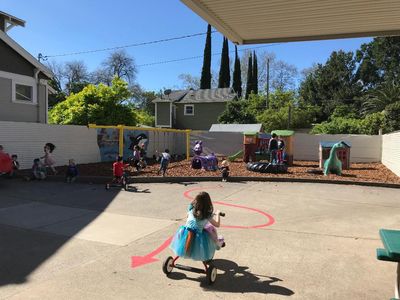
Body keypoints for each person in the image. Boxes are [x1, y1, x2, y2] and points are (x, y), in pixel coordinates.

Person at [170, 191, 225, 261]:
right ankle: (217, 244)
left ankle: (174, 260)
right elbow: (217, 224)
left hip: (184, 233)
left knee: (205, 229)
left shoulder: (191, 209)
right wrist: (217, 214)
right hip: (198, 237)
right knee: (211, 231)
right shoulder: (207, 215)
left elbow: (188, 217)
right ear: (208, 203)